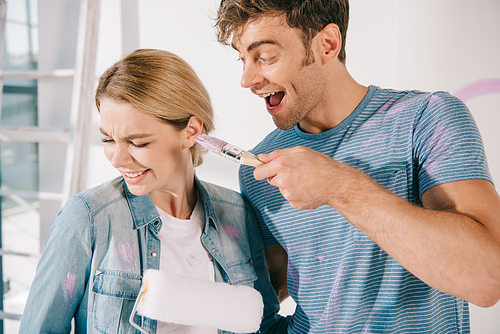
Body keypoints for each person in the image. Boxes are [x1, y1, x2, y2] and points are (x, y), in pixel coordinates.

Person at [214, 1, 500, 333]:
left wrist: (340, 186)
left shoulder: (426, 119)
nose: (247, 79)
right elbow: (264, 297)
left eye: (264, 57)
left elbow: (487, 279)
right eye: (242, 59)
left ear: (327, 44)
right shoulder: (259, 165)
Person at [19, 49, 289, 333]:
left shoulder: (236, 213)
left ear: (191, 131)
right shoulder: (89, 218)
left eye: (138, 142)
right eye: (108, 139)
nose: (117, 159)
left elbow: (264, 324)